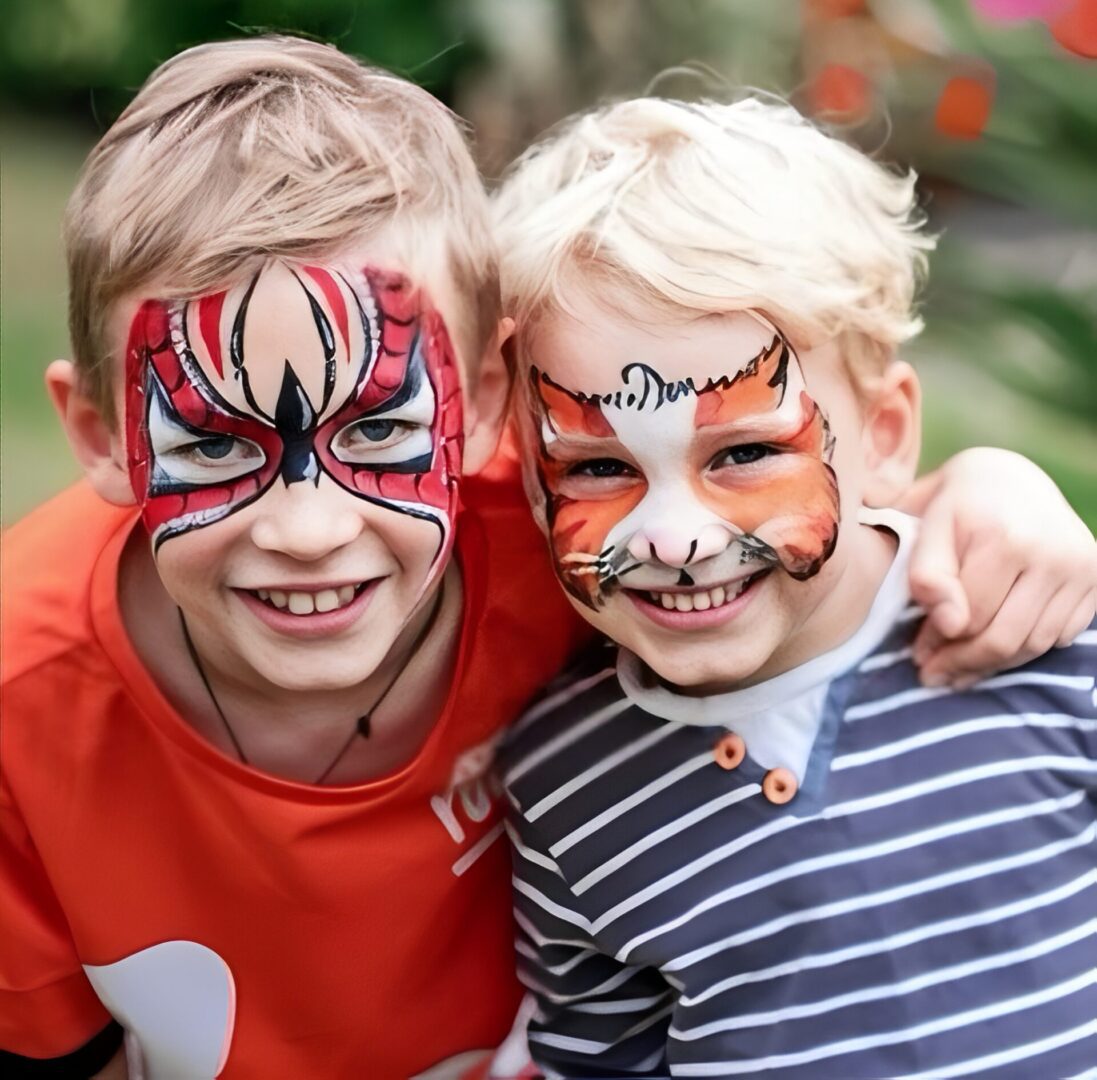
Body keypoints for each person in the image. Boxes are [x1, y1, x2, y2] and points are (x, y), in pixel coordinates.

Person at [0, 37, 1091, 1079]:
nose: (309, 526)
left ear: (480, 407)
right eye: (215, 444)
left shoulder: (619, 541)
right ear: (96, 433)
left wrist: (991, 482)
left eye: (379, 432)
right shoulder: (26, 699)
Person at [493, 95, 1097, 1076]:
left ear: (888, 436)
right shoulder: (560, 785)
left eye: (740, 454)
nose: (676, 540)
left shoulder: (1038, 630)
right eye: (598, 469)